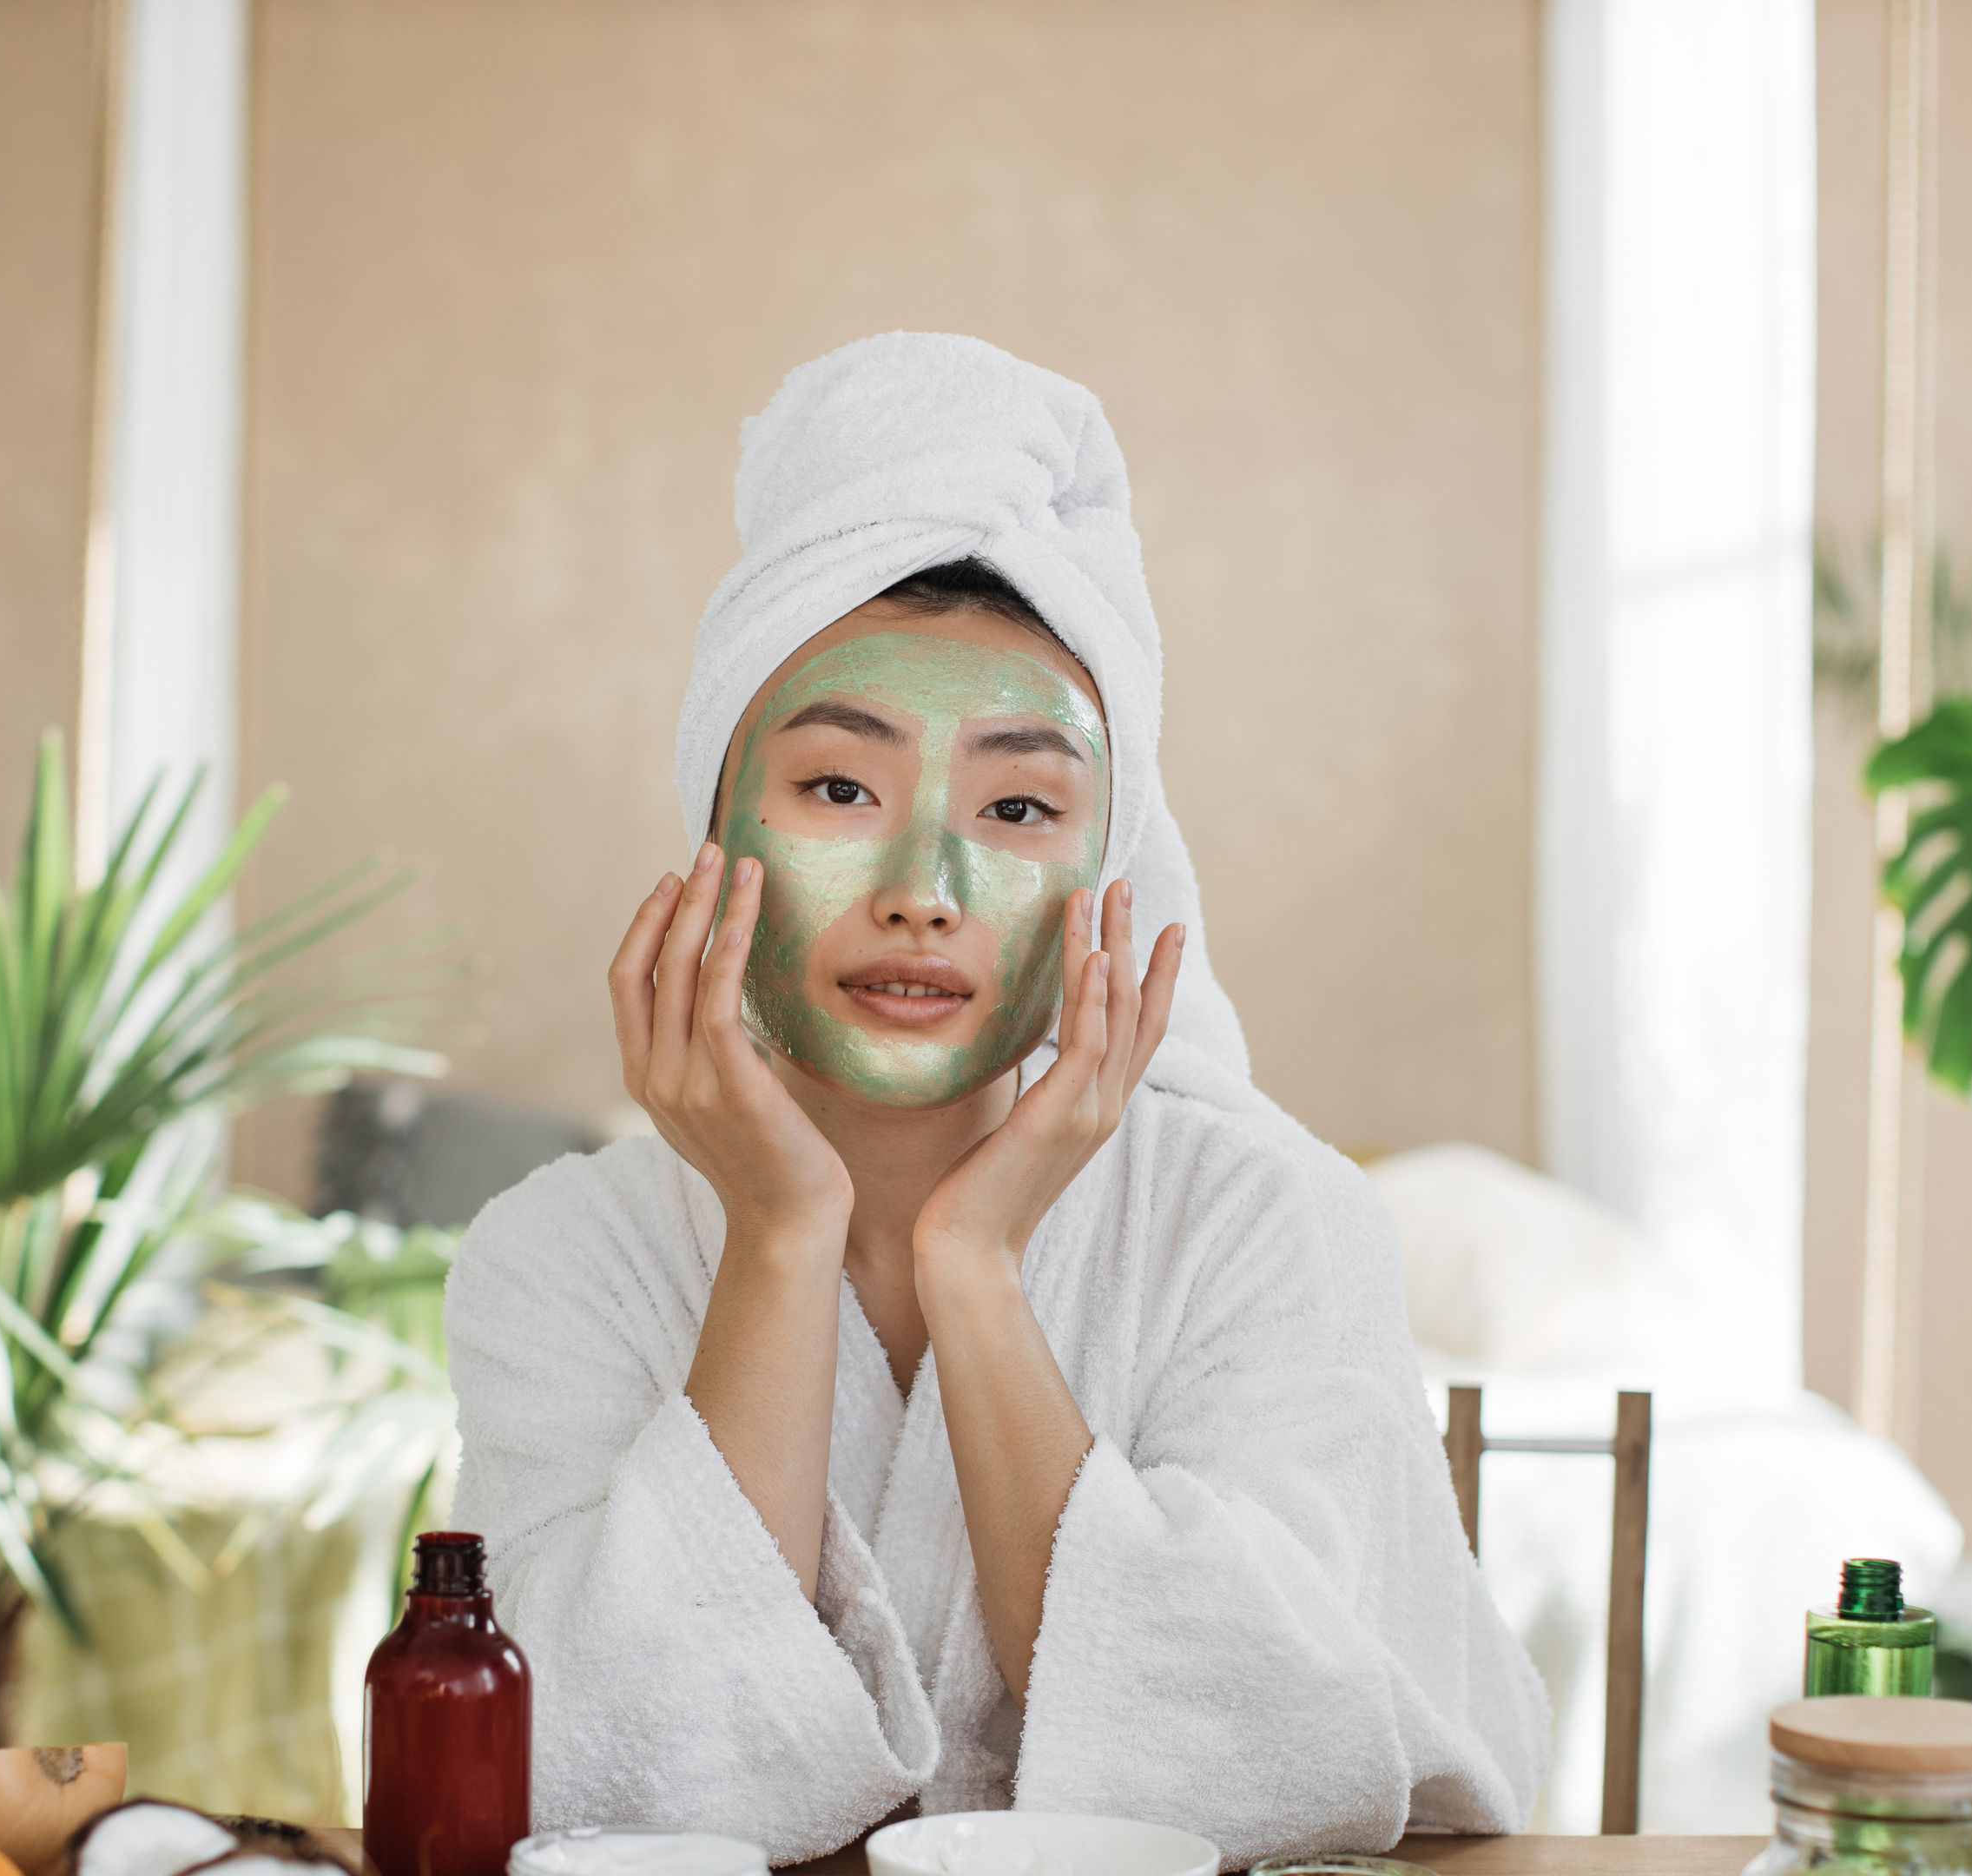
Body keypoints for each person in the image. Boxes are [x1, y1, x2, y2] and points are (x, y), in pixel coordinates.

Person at [444, 334, 1547, 1863]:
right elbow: (582, 1779)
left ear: (1112, 876)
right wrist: (779, 1238)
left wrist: (976, 1274)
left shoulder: (1266, 1222)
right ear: (715, 838)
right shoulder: (556, 1256)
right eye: (840, 789)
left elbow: (1272, 1759)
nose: (926, 892)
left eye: (1020, 807)